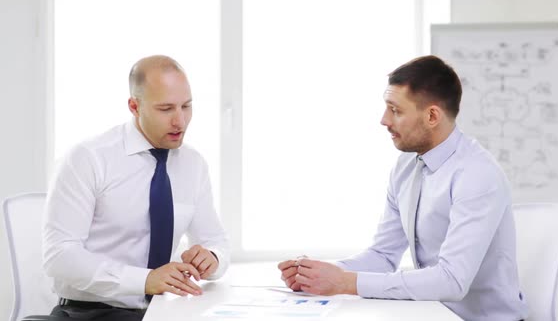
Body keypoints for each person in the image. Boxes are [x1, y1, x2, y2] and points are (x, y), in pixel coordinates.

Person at [278, 55, 528, 321]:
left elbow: (451, 280)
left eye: (395, 110)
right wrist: (319, 274)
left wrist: (346, 282)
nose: (384, 120)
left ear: (432, 115)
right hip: (432, 314)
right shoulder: (407, 166)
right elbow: (383, 256)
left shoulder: (477, 173)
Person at [43, 55, 230, 321]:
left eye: (186, 106)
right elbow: (59, 256)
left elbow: (216, 241)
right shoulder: (88, 158)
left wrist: (212, 257)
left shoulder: (193, 164)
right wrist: (144, 280)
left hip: (165, 311)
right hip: (91, 312)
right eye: (166, 109)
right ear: (134, 106)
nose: (180, 121)